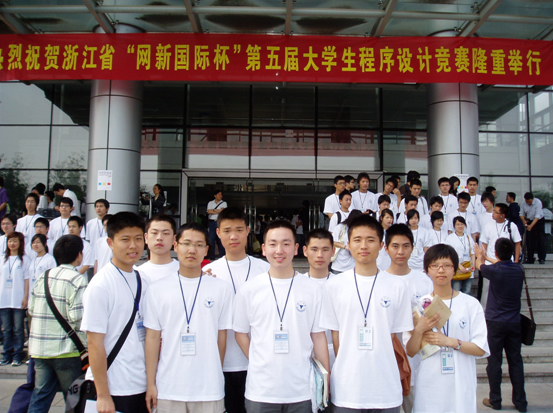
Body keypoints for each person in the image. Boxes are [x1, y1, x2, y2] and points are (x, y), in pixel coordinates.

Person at [233, 220, 330, 413]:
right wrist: (259, 360)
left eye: (286, 244)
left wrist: (326, 381)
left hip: (302, 391)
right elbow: (240, 334)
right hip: (261, 391)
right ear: (263, 249)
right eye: (273, 244)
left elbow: (319, 337)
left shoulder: (312, 290)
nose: (279, 250)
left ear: (296, 249)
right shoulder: (249, 290)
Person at [320, 214, 413, 413]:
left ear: (381, 245)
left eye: (370, 240)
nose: (363, 246)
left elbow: (394, 337)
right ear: (348, 245)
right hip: (347, 389)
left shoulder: (397, 286)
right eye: (357, 240)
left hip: (386, 388)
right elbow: (335, 335)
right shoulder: (334, 285)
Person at [144, 222, 233, 413]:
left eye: (199, 245)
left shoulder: (221, 289)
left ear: (206, 250)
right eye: (186, 243)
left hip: (209, 390)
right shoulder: (157, 289)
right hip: (168, 388)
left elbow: (221, 337)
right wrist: (151, 383)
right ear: (176, 246)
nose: (192, 250)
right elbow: (152, 338)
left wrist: (215, 373)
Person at [202, 207, 270, 413]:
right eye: (227, 230)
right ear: (218, 233)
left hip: (256, 363)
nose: (233, 236)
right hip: (220, 363)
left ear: (248, 231)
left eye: (239, 230)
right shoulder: (207, 272)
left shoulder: (264, 269)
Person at [407, 244, 489, 413]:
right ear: (426, 270)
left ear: (455, 269)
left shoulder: (470, 304)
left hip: (461, 384)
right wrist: (419, 329)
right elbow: (411, 351)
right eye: (435, 265)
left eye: (446, 265)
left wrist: (451, 342)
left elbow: (481, 348)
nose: (441, 270)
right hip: (429, 385)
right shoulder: (419, 306)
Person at [81, 212, 149, 413]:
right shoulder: (101, 285)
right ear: (110, 243)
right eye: (125, 239)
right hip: (114, 388)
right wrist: (103, 395)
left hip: (140, 384)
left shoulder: (142, 279)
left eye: (138, 239)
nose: (133, 246)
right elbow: (94, 343)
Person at [27, 235, 87, 413]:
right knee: (74, 399)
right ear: (79, 255)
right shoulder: (77, 279)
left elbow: (31, 309)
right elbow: (78, 317)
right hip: (66, 350)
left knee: (40, 395)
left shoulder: (43, 277)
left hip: (40, 349)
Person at [474, 239, 528, 413]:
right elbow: (498, 263)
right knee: (516, 361)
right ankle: (520, 402)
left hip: (495, 322)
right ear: (512, 253)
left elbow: (479, 265)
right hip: (514, 322)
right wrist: (487, 257)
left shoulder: (494, 271)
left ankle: (495, 399)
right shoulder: (519, 269)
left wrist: (480, 255)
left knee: (494, 362)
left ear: (496, 253)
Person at [384, 223, 433, 413]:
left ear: (412, 248)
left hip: (417, 363)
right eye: (395, 246)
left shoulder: (424, 281)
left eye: (405, 246)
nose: (400, 252)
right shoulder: (379, 282)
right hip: (387, 362)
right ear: (385, 248)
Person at [301, 228, 336, 368]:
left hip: (336, 353)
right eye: (314, 249)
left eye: (325, 250)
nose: (319, 255)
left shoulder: (341, 285)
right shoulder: (297, 285)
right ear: (305, 251)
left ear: (333, 251)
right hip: (304, 354)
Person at [479, 203, 521, 309]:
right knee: (486, 291)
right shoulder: (488, 225)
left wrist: (516, 260)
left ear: (502, 215)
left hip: (506, 264)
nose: (493, 213)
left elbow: (517, 243)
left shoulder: (511, 226)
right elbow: (484, 244)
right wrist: (482, 261)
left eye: (495, 212)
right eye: (493, 211)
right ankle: (484, 312)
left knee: (504, 290)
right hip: (490, 263)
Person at [0, 232, 30, 366]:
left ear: (20, 243)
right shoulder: (2, 258)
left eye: (15, 241)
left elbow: (27, 280)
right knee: (6, 329)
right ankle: (7, 354)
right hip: (4, 299)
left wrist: (25, 297)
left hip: (18, 299)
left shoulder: (24, 259)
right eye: (10, 241)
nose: (12, 243)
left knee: (18, 329)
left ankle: (18, 354)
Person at [137, 214, 179, 284]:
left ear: (174, 239)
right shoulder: (138, 273)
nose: (159, 238)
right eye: (154, 233)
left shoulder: (185, 272)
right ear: (146, 238)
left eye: (165, 233)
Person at [445, 217, 475, 294]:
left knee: (467, 291)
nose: (460, 226)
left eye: (462, 224)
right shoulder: (450, 238)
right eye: (458, 224)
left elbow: (472, 253)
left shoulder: (468, 237)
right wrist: (459, 266)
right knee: (456, 291)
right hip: (456, 267)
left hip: (468, 267)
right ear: (454, 226)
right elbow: (449, 255)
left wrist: (473, 265)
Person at [331, 210, 363, 274]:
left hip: (353, 265)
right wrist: (345, 247)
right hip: (339, 264)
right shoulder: (340, 227)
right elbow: (332, 242)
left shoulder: (359, 230)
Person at [520, 192, 546, 264]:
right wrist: (525, 222)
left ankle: (541, 258)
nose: (529, 203)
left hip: (539, 221)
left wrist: (531, 226)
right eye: (527, 202)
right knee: (529, 241)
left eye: (530, 202)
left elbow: (537, 216)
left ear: (533, 199)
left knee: (541, 239)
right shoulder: (523, 204)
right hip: (529, 220)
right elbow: (521, 214)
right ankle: (530, 258)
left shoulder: (538, 202)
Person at [29, 234, 56, 300]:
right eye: (33, 243)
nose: (35, 244)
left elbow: (52, 278)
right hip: (32, 292)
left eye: (38, 242)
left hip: (43, 294)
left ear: (45, 244)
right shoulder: (33, 260)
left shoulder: (50, 259)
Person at [207, 190, 227, 261]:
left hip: (220, 222)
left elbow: (223, 211)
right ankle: (212, 256)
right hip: (212, 223)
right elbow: (209, 211)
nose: (220, 196)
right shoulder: (210, 203)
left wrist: (213, 211)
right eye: (219, 194)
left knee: (221, 239)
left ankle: (222, 256)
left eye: (221, 194)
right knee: (211, 239)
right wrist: (219, 210)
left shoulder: (224, 203)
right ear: (215, 196)